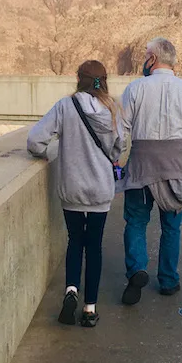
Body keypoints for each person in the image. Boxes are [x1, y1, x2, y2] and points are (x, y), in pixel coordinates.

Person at [27, 60, 123, 328]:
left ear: (78, 79)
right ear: (104, 80)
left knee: (74, 241)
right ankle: (90, 309)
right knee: (94, 247)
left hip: (71, 189)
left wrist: (49, 153)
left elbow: (35, 141)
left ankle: (71, 290)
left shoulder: (65, 107)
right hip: (100, 192)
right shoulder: (113, 108)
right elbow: (118, 148)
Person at [120, 37, 182, 303]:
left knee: (136, 221)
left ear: (152, 58)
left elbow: (120, 131)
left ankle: (136, 269)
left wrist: (115, 160)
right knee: (171, 226)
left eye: (145, 56)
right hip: (176, 167)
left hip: (141, 166)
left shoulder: (135, 89)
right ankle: (168, 281)